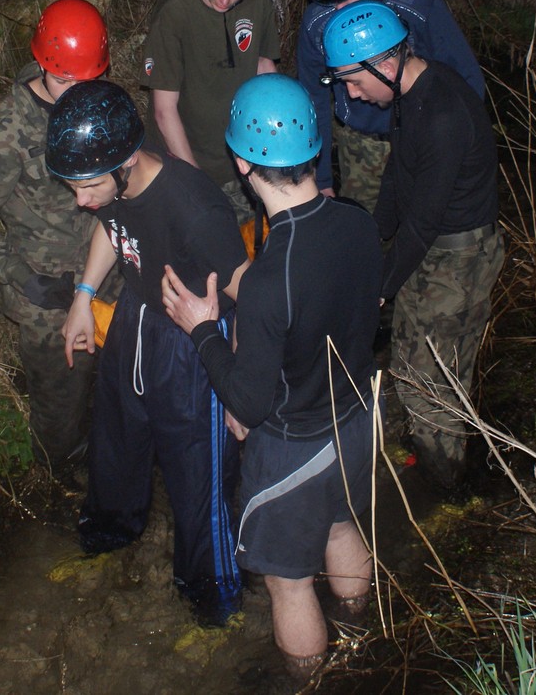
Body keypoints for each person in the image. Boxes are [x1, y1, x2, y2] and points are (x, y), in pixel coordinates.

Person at [161, 74, 382, 684]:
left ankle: (312, 681)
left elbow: (249, 404)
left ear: (241, 163)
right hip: (358, 420)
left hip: (296, 449)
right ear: (313, 147)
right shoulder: (359, 223)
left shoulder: (268, 278)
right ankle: (363, 635)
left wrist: (201, 329)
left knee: (289, 584)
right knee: (341, 524)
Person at [49, 80, 251, 626]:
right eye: (73, 187)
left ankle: (214, 602)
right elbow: (111, 227)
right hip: (137, 315)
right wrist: (83, 297)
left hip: (193, 337)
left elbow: (251, 294)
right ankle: (109, 538)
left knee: (198, 475)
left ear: (128, 163)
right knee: (116, 436)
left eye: (88, 187)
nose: (81, 200)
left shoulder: (195, 209)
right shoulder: (112, 184)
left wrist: (239, 383)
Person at [320, 1, 503, 491]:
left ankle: (444, 488)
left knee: (431, 380)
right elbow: (397, 178)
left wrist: (377, 289)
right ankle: (436, 455)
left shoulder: (443, 111)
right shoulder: (409, 94)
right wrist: (369, 238)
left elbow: (422, 221)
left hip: (458, 260)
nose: (352, 94)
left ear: (385, 62)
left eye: (354, 81)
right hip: (433, 248)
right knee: (415, 360)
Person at [0, 0, 110, 483]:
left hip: (108, 271)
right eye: (64, 81)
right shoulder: (5, 129)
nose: (76, 94)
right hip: (47, 291)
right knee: (60, 411)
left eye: (87, 81)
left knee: (117, 385)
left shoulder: (99, 103)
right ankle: (60, 479)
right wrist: (20, 277)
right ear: (42, 63)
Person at [295, 0, 484, 212]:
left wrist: (459, 150)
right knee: (366, 226)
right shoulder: (317, 22)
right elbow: (313, 98)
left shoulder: (420, 8)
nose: (340, 9)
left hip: (422, 139)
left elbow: (467, 82)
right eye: (332, 1)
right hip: (362, 145)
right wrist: (321, 178)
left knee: (424, 222)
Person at [144, 0, 280, 221]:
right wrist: (195, 181)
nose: (224, 0)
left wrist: (271, 145)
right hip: (182, 156)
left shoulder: (258, 4)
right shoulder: (175, 13)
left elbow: (265, 69)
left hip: (239, 154)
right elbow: (164, 111)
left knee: (250, 237)